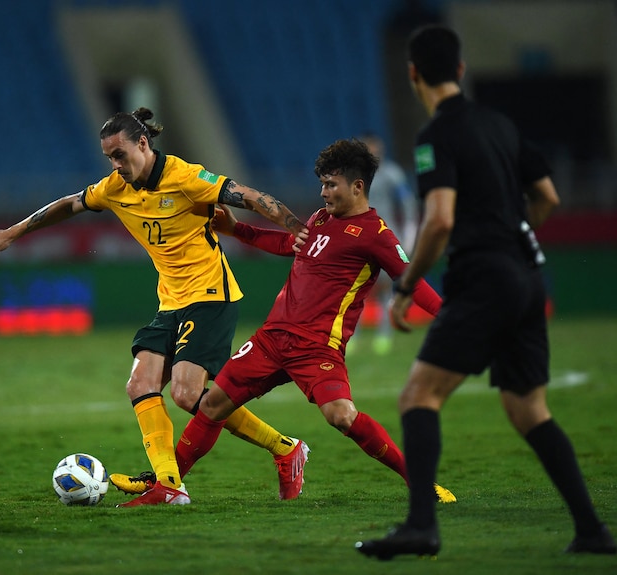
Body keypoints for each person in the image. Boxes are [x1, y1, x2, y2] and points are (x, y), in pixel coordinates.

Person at [356, 25, 615, 559]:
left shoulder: (435, 137)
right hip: (526, 277)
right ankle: (592, 530)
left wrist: (406, 285)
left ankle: (422, 528)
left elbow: (440, 220)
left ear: (413, 75)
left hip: (485, 280)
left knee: (418, 396)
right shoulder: (499, 124)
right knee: (529, 411)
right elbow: (548, 196)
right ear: (461, 69)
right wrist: (513, 230)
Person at [0, 107, 311, 506]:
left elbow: (251, 197)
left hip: (210, 296)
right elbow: (69, 204)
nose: (116, 166)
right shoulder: (115, 189)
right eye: (109, 159)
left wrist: (295, 227)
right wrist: (13, 233)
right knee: (139, 384)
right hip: (170, 302)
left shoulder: (186, 177)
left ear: (143, 143)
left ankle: (285, 448)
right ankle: (169, 485)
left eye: (120, 155)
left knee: (188, 395)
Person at [172, 139, 455, 505]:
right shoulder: (321, 219)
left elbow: (411, 281)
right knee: (212, 405)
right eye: (321, 184)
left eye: (330, 185)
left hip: (317, 347)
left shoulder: (376, 234)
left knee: (341, 416)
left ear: (357, 186)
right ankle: (167, 485)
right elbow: (289, 244)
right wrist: (237, 230)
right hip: (272, 339)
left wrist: (450, 317)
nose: (322, 192)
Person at [359, 133, 418, 355]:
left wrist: (408, 237)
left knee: (382, 288)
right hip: (357, 237)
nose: (374, 150)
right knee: (354, 287)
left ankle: (383, 335)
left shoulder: (392, 174)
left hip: (385, 236)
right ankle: (352, 335)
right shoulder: (355, 174)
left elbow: (408, 204)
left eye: (376, 146)